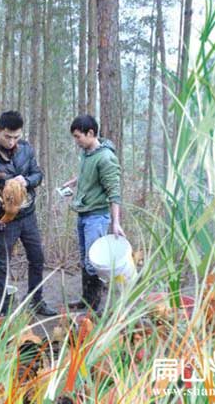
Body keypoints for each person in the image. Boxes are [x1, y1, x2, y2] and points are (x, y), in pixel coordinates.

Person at [0, 110, 57, 317]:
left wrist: (26, 181)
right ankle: (1, 309)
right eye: (7, 136)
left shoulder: (26, 149)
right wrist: (3, 206)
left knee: (37, 258)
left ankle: (37, 302)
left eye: (16, 137)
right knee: (2, 264)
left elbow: (38, 174)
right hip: (6, 220)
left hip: (28, 215)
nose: (12, 141)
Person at [63, 115, 125, 312]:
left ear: (90, 133)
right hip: (83, 214)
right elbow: (87, 173)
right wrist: (74, 182)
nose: (76, 141)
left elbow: (114, 191)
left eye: (78, 137)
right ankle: (86, 300)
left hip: (96, 217)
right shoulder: (88, 152)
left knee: (94, 263)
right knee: (85, 259)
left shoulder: (106, 158)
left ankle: (95, 307)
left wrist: (116, 222)